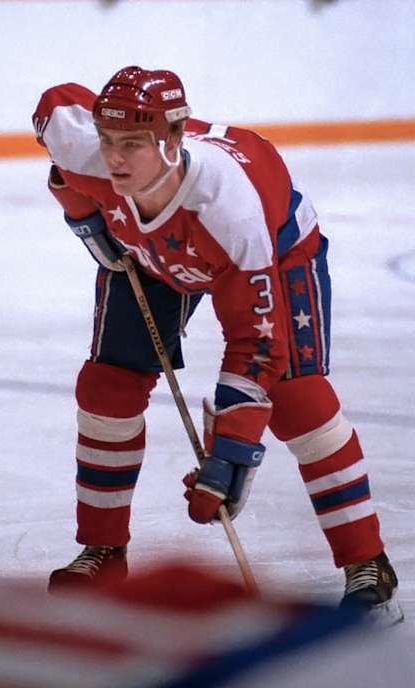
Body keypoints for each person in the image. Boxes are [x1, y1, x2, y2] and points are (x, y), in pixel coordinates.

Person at [32, 66, 402, 622]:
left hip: (271, 252)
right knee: (107, 386)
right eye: (108, 142)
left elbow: (254, 344)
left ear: (174, 140)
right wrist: (85, 219)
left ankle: (365, 559)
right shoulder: (89, 153)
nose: (114, 159)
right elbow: (57, 116)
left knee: (299, 398)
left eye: (133, 144)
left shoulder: (229, 207)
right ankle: (103, 550)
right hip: (153, 258)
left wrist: (231, 454)